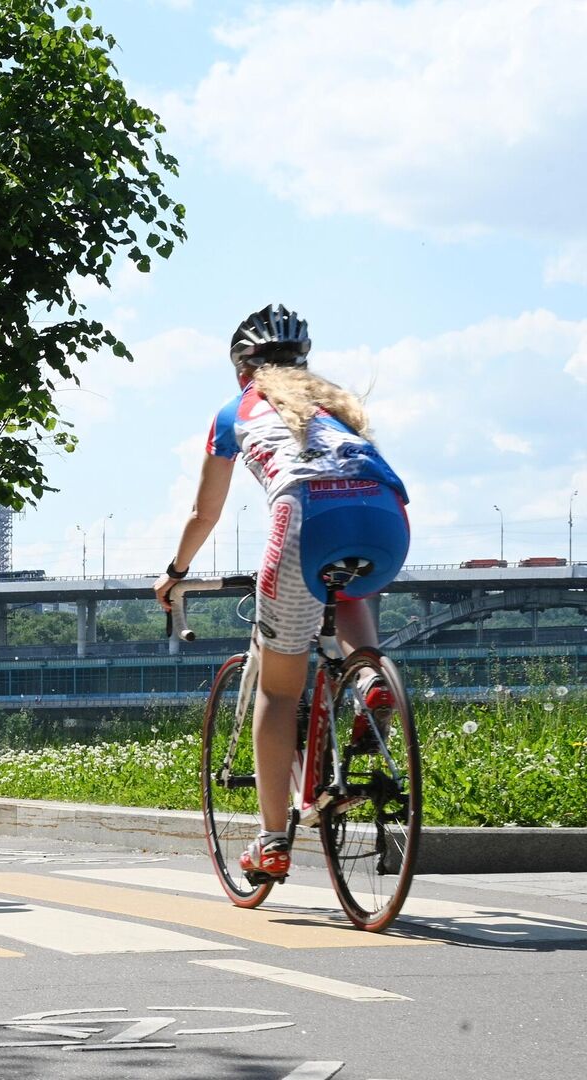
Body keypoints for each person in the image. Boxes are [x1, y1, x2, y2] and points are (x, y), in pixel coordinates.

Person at [153, 304, 410, 883]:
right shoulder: (336, 405)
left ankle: (271, 842)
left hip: (305, 521)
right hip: (386, 519)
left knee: (277, 688)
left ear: (243, 368)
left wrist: (175, 570)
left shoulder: (234, 411)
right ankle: (370, 681)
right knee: (347, 594)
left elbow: (204, 510)